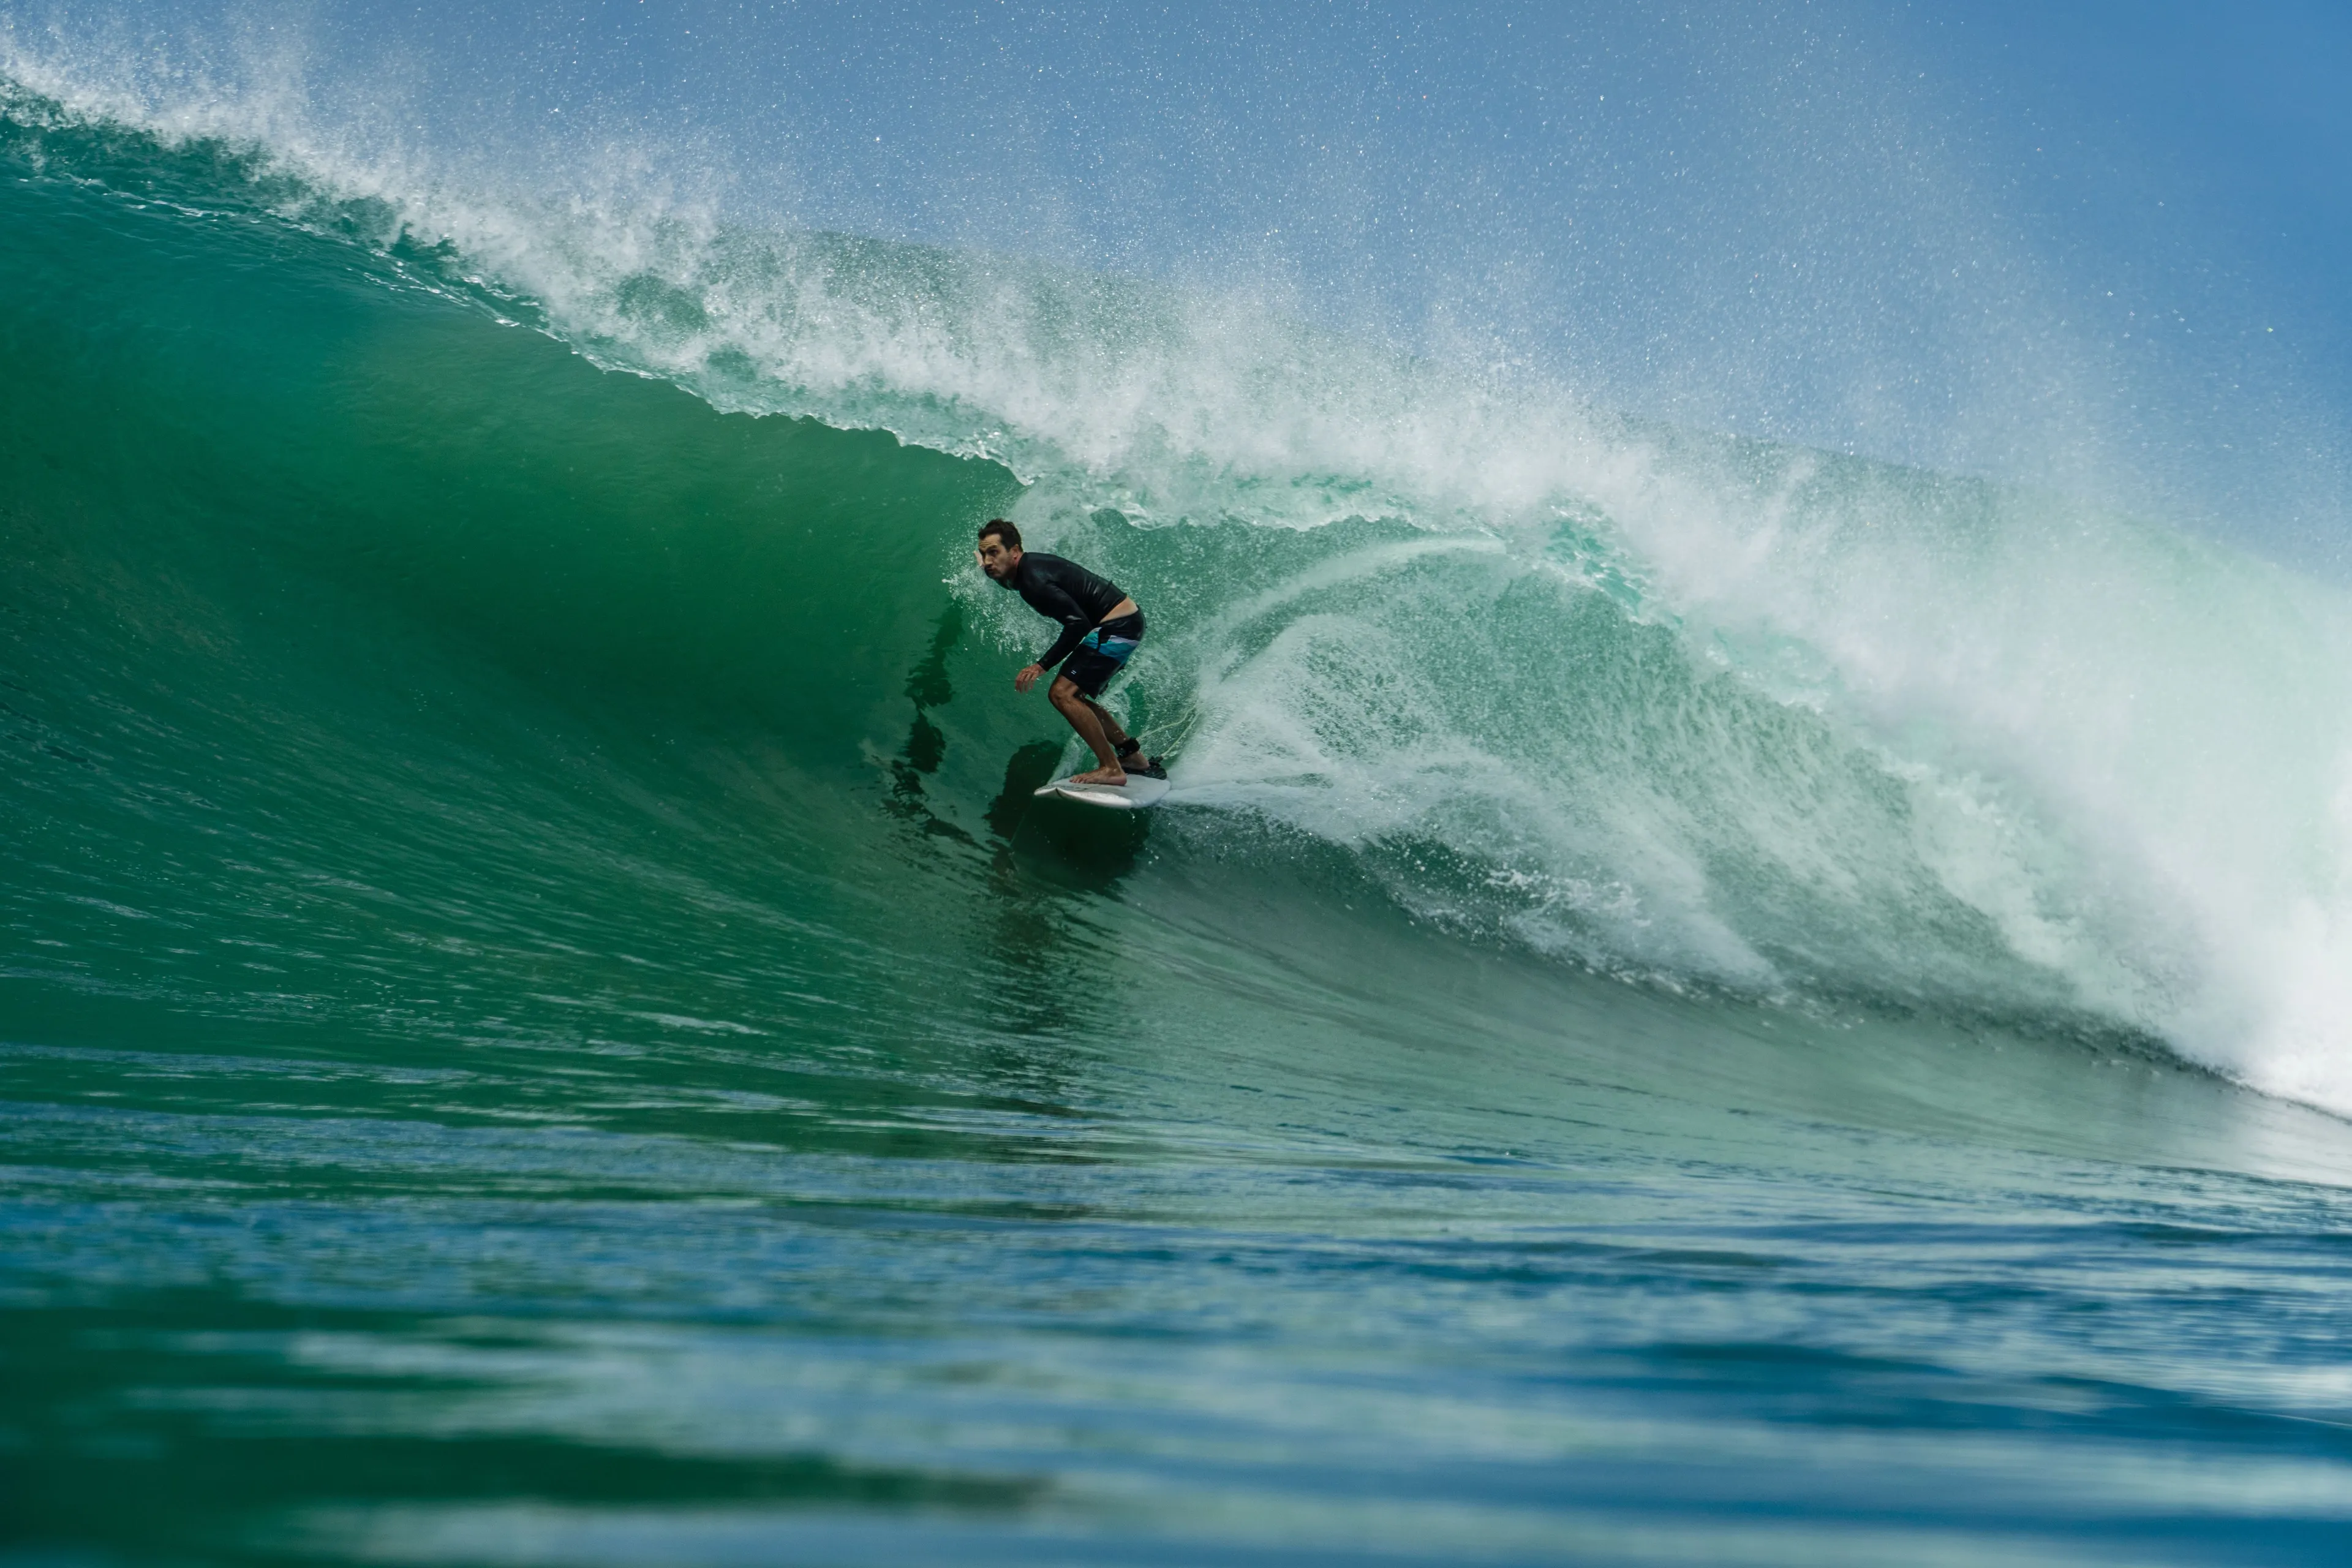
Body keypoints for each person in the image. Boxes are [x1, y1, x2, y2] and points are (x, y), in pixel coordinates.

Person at [976, 519, 1163, 786]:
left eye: (993, 552)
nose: (987, 561)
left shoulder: (1034, 581)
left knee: (1062, 694)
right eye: (984, 554)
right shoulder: (1023, 570)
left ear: (1015, 551)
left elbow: (1078, 625)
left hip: (1117, 627)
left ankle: (1112, 768)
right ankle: (1133, 758)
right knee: (1074, 696)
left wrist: (1041, 665)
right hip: (1123, 623)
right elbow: (1007, 580)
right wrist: (988, 569)